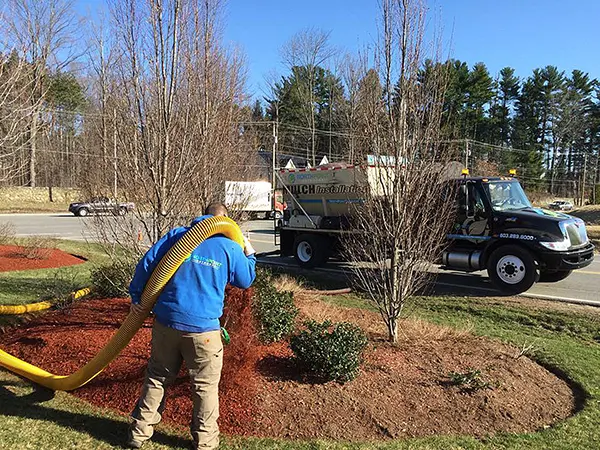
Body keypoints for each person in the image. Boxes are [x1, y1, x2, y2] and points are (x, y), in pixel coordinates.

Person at [127, 203, 256, 449]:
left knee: (157, 378)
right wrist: (249, 252)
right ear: (226, 221)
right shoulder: (230, 247)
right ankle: (205, 444)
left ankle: (138, 434)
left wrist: (136, 297)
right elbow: (246, 279)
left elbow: (147, 263)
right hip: (204, 332)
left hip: (167, 323)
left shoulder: (178, 236)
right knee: (205, 388)